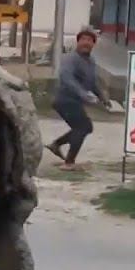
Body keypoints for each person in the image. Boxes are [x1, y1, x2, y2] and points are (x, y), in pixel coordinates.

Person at [46, 28, 107, 170]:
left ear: (94, 44)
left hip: (75, 101)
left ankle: (56, 145)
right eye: (83, 39)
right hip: (64, 100)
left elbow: (92, 82)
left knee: (84, 127)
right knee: (83, 127)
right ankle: (68, 162)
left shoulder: (91, 61)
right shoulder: (70, 59)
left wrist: (102, 97)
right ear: (78, 42)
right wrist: (84, 94)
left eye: (90, 40)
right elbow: (67, 79)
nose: (86, 43)